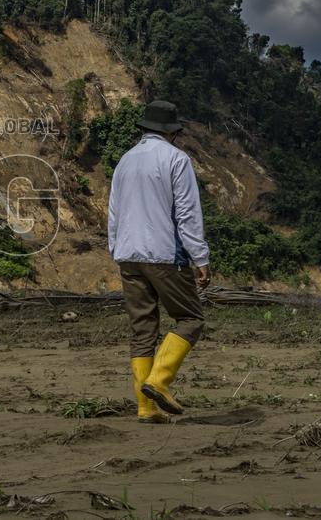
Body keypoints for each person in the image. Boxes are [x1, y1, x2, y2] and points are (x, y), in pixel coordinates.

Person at [107, 100, 211, 423]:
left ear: (143, 128)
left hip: (128, 254)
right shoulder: (176, 160)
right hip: (165, 255)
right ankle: (159, 381)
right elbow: (187, 215)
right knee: (191, 318)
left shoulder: (124, 161)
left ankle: (145, 407)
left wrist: (117, 249)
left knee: (142, 330)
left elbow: (113, 212)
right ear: (172, 133)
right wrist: (201, 258)